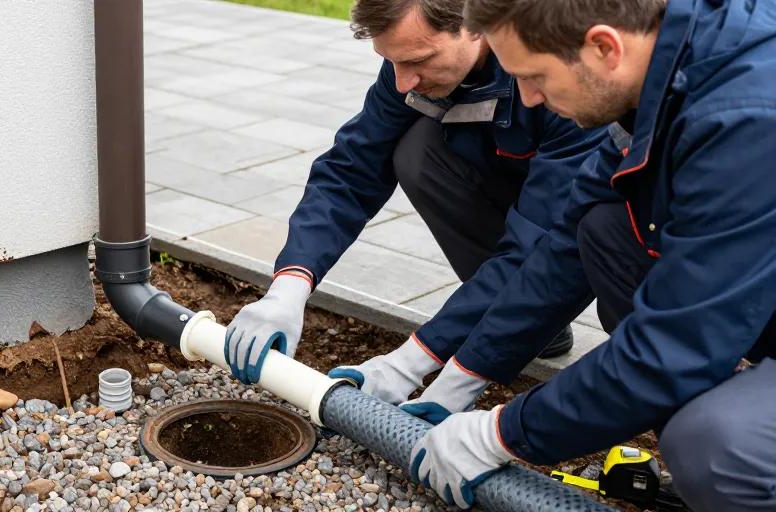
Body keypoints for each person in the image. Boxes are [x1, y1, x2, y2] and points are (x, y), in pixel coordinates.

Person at [401, 0, 776, 510]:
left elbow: (675, 344)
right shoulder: (658, 76)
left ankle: (736, 462)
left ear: (604, 47)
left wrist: (503, 433)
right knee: (603, 230)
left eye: (534, 76)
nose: (528, 99)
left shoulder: (746, 117)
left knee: (716, 447)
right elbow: (564, 244)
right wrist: (464, 371)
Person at [222, 0, 608, 406]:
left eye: (418, 61)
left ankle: (523, 320)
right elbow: (351, 169)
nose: (403, 81)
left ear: (475, 25)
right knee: (416, 153)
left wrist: (413, 362)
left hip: (588, 210)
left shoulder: (560, 72)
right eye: (391, 61)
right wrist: (289, 285)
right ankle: (520, 325)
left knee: (595, 242)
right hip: (512, 173)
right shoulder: (408, 68)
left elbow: (542, 236)